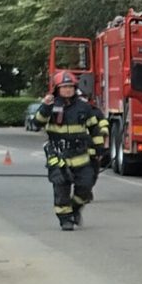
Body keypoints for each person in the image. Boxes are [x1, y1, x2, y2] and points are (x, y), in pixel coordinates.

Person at [36, 71, 105, 231]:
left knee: (86, 187)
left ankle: (74, 209)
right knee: (61, 189)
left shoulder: (84, 107)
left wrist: (99, 149)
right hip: (58, 155)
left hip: (80, 155)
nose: (67, 90)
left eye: (70, 87)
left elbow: (94, 128)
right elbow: (36, 123)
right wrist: (45, 106)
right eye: (64, 87)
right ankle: (65, 219)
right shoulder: (51, 106)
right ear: (57, 89)